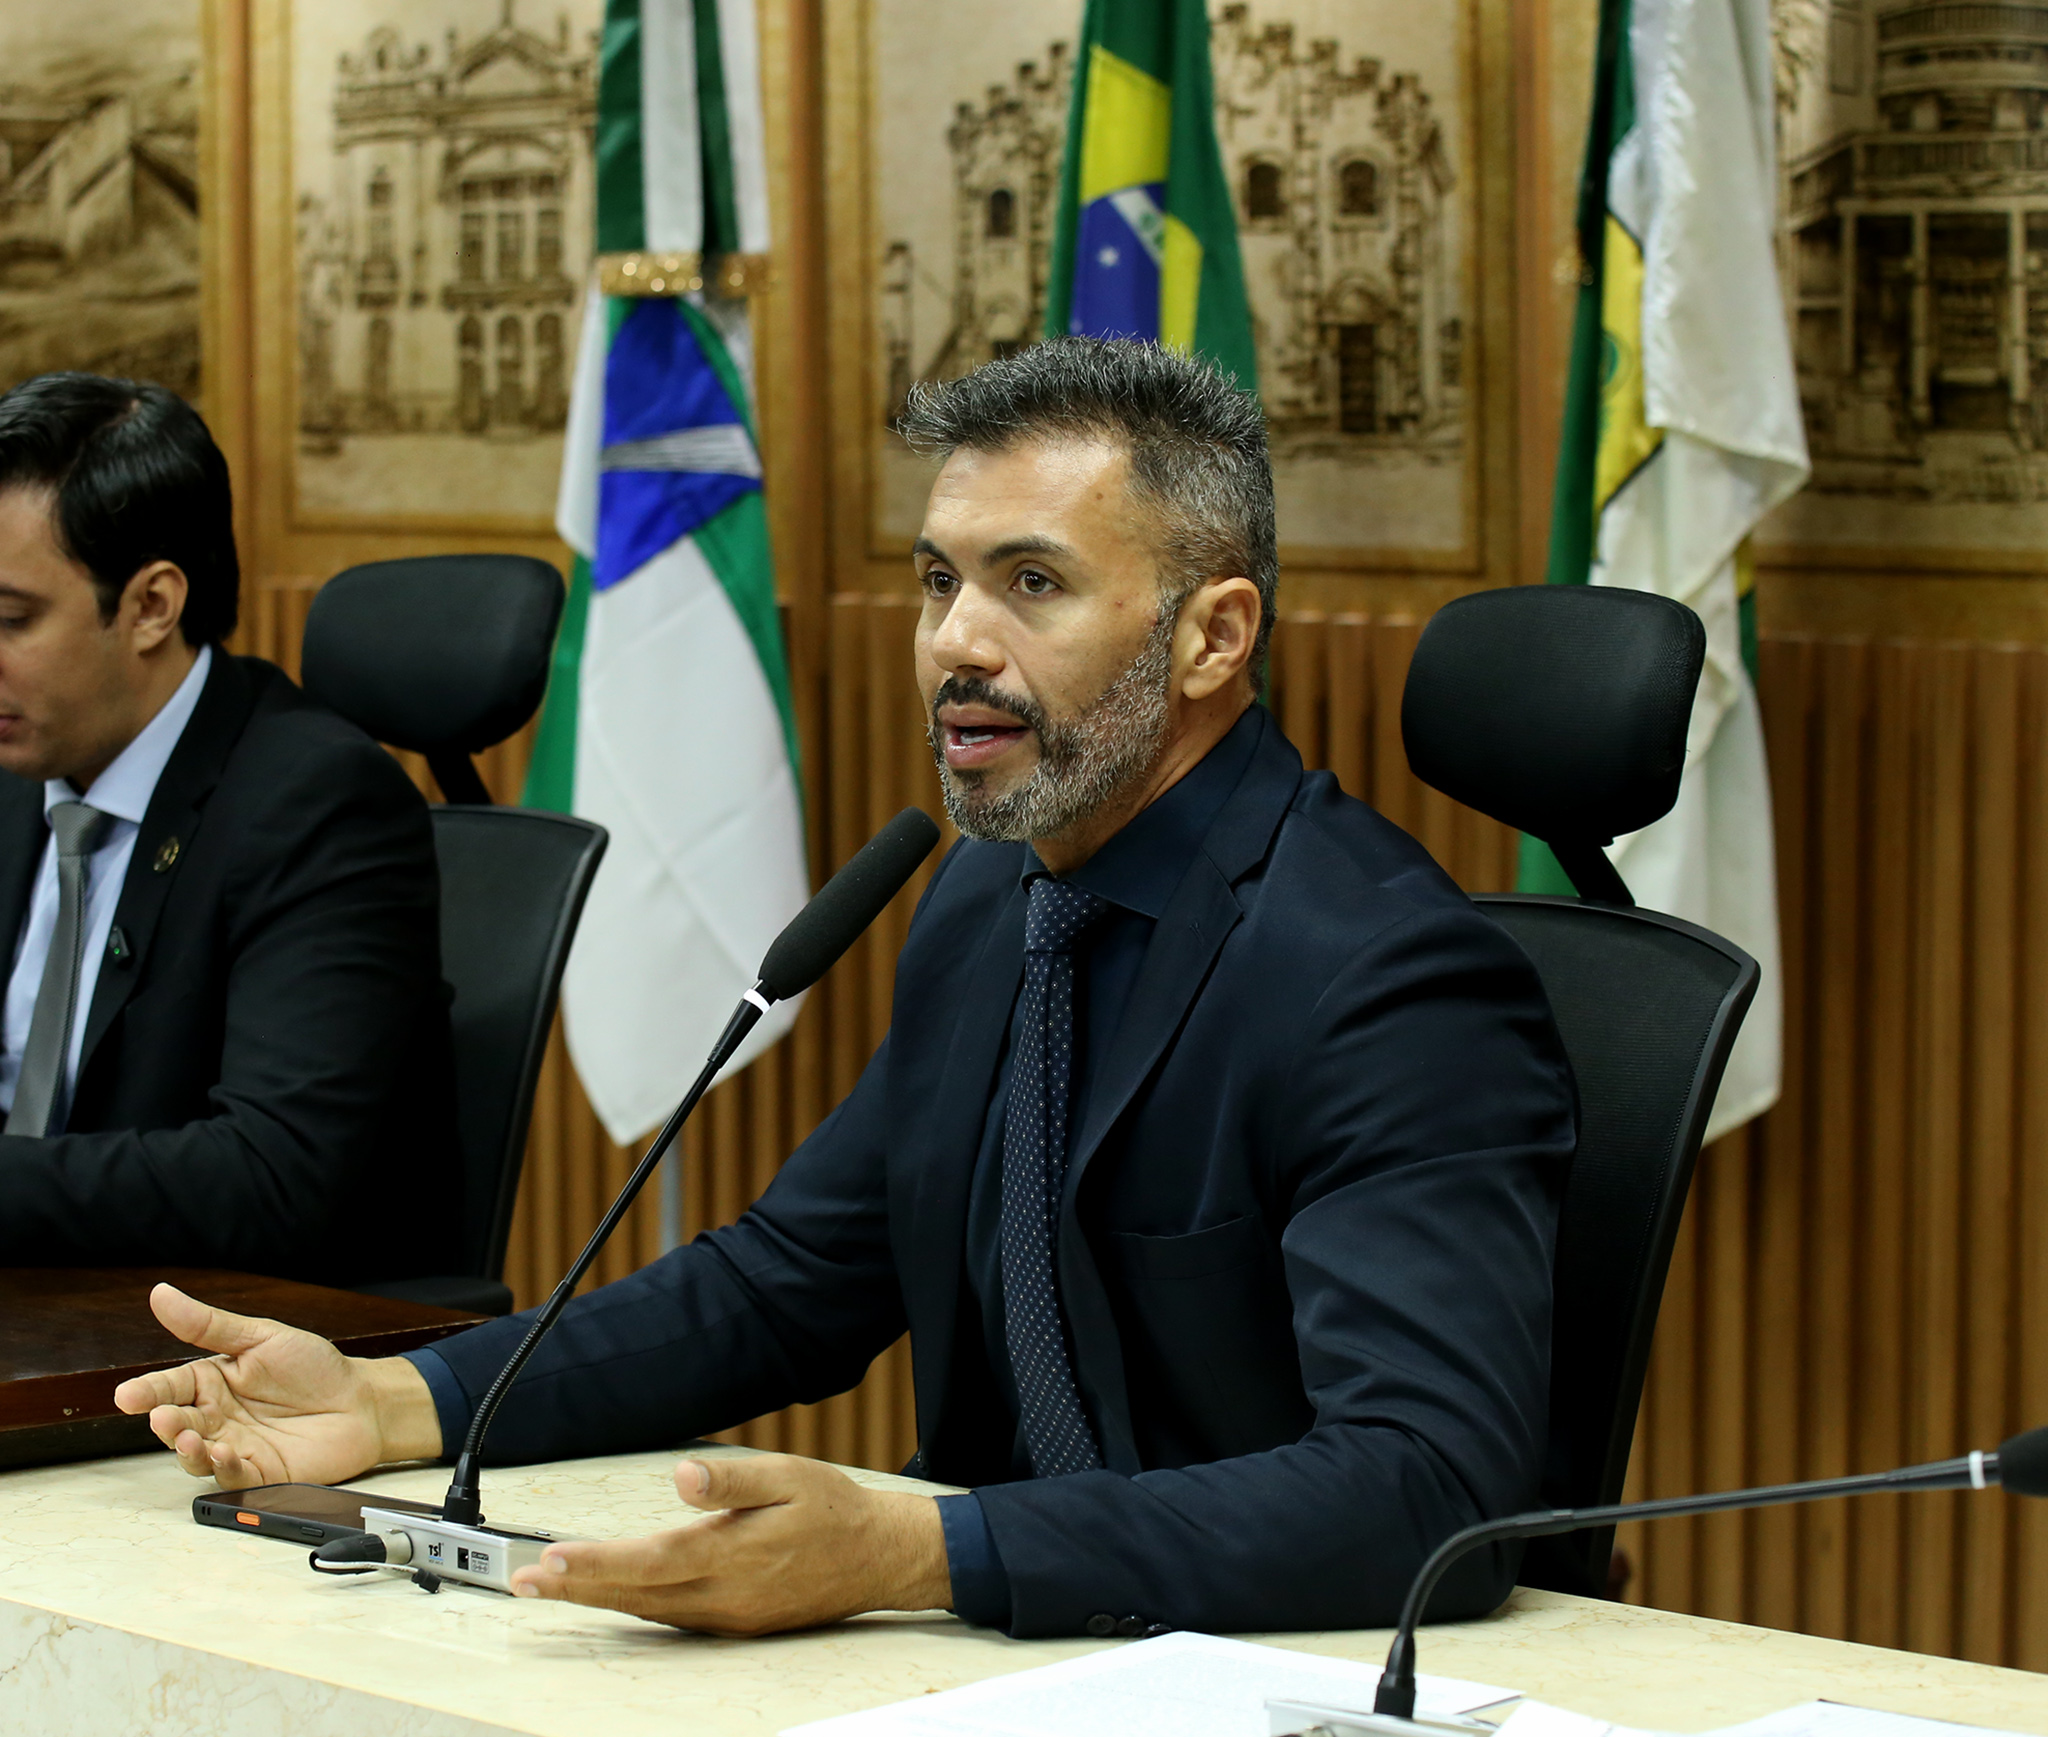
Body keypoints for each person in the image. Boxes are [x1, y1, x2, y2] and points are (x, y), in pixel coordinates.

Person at [118, 337, 1573, 1638]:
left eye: (1032, 583)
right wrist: (399, 1396)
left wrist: (922, 1550)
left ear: (1214, 636)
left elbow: (1426, 1482)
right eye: (940, 580)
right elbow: (793, 1278)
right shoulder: (994, 894)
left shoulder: (1382, 975)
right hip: (1004, 1667)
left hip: (1282, 1682)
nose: (955, 643)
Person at [0, 371, 458, 1278]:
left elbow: (272, 1175)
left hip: (218, 1334)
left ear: (151, 607)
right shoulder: (21, 761)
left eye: (13, 619)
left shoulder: (318, 805)